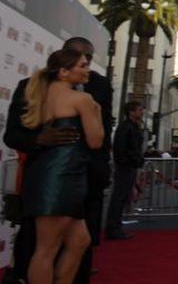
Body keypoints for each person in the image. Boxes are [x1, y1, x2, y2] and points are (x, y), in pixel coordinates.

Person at [3, 37, 111, 284]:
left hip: (82, 176)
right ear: (63, 64)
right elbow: (13, 135)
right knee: (44, 247)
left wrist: (101, 173)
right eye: (81, 61)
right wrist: (39, 139)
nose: (87, 66)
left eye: (88, 59)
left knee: (80, 241)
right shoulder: (31, 87)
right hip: (54, 177)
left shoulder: (98, 86)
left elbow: (101, 142)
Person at [105, 101, 145, 240]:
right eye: (139, 110)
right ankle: (113, 228)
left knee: (122, 197)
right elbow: (121, 149)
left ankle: (115, 226)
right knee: (119, 197)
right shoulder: (126, 127)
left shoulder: (133, 127)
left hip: (129, 166)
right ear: (131, 112)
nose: (142, 112)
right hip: (125, 167)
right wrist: (131, 161)